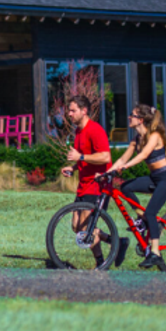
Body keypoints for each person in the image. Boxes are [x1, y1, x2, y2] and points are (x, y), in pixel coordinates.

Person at [60, 95, 129, 268]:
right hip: (84, 184)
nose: (69, 114)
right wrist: (74, 168)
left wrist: (81, 157)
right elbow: (84, 157)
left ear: (84, 111)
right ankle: (117, 241)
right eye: (69, 110)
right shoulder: (78, 131)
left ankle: (101, 263)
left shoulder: (95, 130)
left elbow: (105, 157)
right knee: (76, 227)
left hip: (97, 185)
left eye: (73, 110)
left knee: (85, 229)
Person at [109, 104, 166, 271]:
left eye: (131, 115)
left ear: (140, 120)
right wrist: (106, 173)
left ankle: (155, 252)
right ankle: (144, 219)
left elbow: (144, 155)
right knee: (125, 187)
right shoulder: (136, 139)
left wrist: (126, 167)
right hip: (154, 178)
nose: (129, 117)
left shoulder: (154, 135)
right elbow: (123, 158)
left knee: (151, 212)